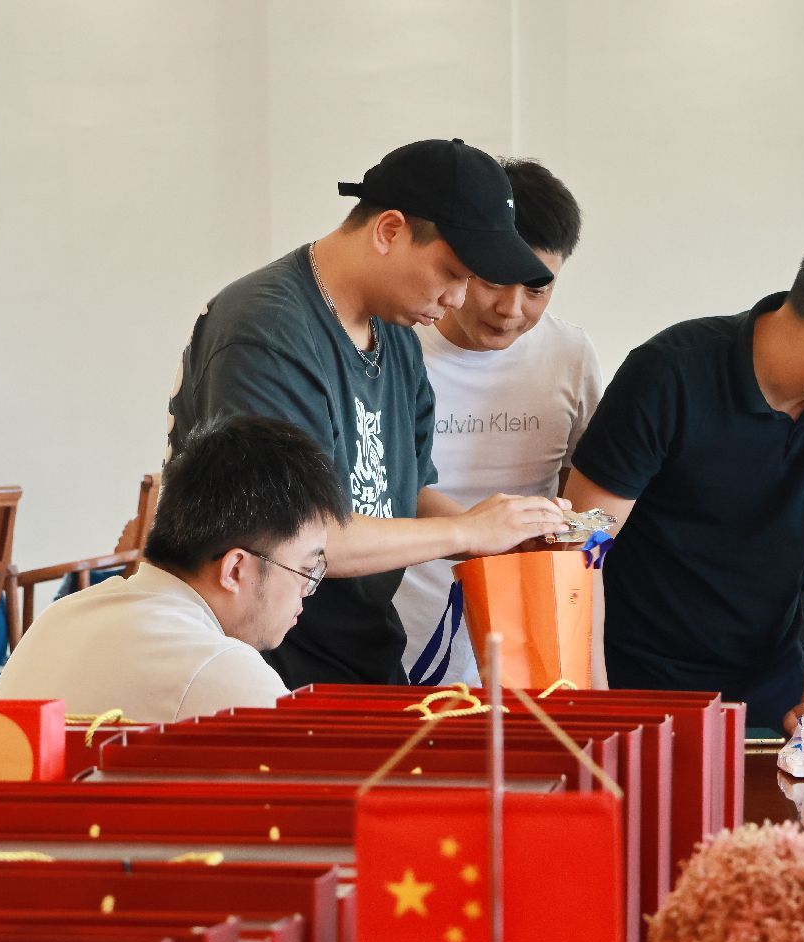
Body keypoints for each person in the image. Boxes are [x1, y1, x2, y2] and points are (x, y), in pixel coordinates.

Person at [167, 138, 568, 690]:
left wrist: (502, 538)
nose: (457, 298)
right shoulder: (266, 329)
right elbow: (292, 539)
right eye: (453, 272)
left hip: (362, 645)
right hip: (263, 657)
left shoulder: (395, 329)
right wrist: (466, 530)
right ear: (389, 231)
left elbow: (408, 493)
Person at [564, 225, 804, 732]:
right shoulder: (668, 374)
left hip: (770, 680)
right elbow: (582, 546)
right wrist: (594, 701)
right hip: (641, 679)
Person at [394, 158, 603, 686]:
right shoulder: (395, 345)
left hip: (524, 640)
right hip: (398, 633)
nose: (511, 309)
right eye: (493, 281)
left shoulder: (570, 353)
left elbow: (579, 494)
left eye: (537, 289)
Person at [0, 416, 348, 722]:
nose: (307, 592)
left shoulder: (62, 614)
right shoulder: (222, 668)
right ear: (235, 570)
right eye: (306, 571)